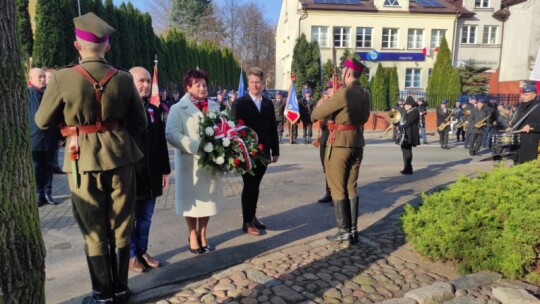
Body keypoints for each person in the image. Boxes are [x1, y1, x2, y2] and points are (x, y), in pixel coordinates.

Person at [35, 13, 147, 303]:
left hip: (80, 159)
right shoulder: (123, 78)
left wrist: (70, 126)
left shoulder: (61, 77)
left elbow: (42, 121)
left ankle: (101, 294)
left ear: (77, 45)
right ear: (107, 47)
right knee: (122, 224)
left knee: (93, 226)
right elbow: (140, 123)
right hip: (121, 157)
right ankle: (121, 290)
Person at [311, 56, 371, 245]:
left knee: (337, 188)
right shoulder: (365, 93)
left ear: (346, 73)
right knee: (351, 187)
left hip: (340, 145)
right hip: (357, 144)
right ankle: (353, 231)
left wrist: (325, 102)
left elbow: (315, 115)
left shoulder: (343, 93)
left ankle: (343, 232)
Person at [165, 69, 223, 253]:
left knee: (208, 201)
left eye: (204, 84)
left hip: (210, 161)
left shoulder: (213, 106)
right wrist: (195, 145)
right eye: (197, 84)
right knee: (192, 201)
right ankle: (192, 234)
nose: (202, 88)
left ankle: (203, 234)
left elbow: (222, 127)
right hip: (190, 163)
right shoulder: (178, 108)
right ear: (188, 87)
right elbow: (171, 134)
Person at [128, 67, 171, 272]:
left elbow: (161, 142)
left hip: (151, 174)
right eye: (141, 81)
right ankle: (131, 255)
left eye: (147, 81)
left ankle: (142, 251)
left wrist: (165, 170)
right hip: (130, 175)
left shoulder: (153, 109)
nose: (145, 85)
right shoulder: (122, 109)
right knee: (128, 220)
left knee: (145, 217)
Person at [231, 67, 279, 236]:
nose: (255, 85)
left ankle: (253, 216)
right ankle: (247, 222)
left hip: (264, 151)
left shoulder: (267, 103)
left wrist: (275, 150)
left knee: (256, 185)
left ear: (263, 84)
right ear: (248, 83)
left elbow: (273, 128)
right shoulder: (240, 103)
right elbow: (234, 129)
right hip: (247, 153)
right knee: (249, 185)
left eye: (258, 82)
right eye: (252, 82)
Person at [28, 68, 62, 206]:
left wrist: (60, 137)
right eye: (39, 77)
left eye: (44, 77)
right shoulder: (27, 94)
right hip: (34, 137)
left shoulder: (52, 94)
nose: (43, 79)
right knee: (36, 167)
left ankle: (48, 193)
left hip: (50, 137)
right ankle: (38, 193)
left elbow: (60, 115)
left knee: (49, 166)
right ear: (31, 79)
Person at [315, 80, 341, 204]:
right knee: (326, 166)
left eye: (330, 88)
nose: (328, 91)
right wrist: (321, 104)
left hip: (336, 135)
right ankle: (329, 191)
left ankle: (337, 194)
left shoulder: (340, 102)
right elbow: (315, 116)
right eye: (328, 89)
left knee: (335, 167)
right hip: (325, 135)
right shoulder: (325, 102)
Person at [509, 83, 540, 163]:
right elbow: (516, 121)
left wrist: (531, 126)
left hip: (529, 145)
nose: (523, 96)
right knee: (516, 166)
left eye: (526, 94)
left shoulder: (538, 107)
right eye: (523, 94)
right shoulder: (520, 107)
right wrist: (511, 126)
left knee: (526, 168)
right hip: (516, 144)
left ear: (534, 95)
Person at [399, 96, 420, 175]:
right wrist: (397, 124)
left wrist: (401, 127)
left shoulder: (414, 111)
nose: (405, 106)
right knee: (404, 151)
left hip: (410, 134)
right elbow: (403, 121)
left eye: (406, 105)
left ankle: (408, 169)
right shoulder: (408, 111)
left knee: (407, 151)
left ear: (411, 105)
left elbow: (409, 122)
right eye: (405, 105)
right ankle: (407, 168)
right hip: (406, 134)